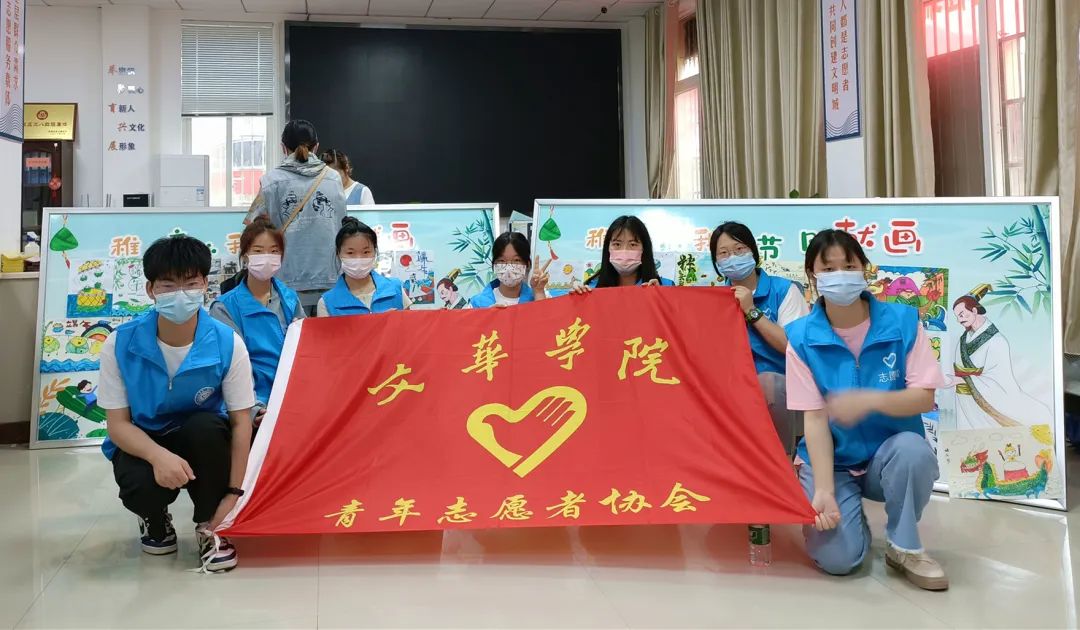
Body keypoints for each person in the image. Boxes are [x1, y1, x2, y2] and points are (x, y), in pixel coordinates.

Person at [785, 229, 946, 590]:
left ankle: (905, 545)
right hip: (833, 462)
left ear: (865, 269)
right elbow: (814, 418)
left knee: (914, 452)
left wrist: (869, 400)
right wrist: (824, 490)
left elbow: (923, 397)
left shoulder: (903, 322)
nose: (840, 275)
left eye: (849, 266)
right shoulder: (800, 337)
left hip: (888, 456)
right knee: (838, 561)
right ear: (812, 275)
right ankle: (847, 518)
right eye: (828, 269)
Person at [97, 235, 256, 572]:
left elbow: (241, 422)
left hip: (201, 439)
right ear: (150, 289)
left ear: (205, 285)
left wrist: (234, 494)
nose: (181, 294)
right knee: (139, 484)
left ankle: (211, 525)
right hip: (145, 440)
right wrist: (158, 456)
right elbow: (118, 424)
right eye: (168, 285)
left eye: (191, 283)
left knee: (208, 428)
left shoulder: (228, 343)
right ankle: (154, 518)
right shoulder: (119, 344)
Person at [710, 221, 808, 455]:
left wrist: (751, 311)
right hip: (731, 385)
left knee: (768, 383)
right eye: (723, 253)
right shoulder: (711, 298)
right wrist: (655, 295)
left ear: (753, 252)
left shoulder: (784, 290)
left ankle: (782, 462)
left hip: (780, 388)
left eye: (739, 249)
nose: (732, 257)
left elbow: (793, 346)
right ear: (716, 262)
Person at [210, 217, 304, 429]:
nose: (267, 257)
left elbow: (305, 353)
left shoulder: (290, 299)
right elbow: (230, 368)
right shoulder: (224, 308)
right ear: (245, 256)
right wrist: (253, 409)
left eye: (274, 251)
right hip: (251, 406)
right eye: (258, 251)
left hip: (295, 398)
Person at [245, 120, 346, 315]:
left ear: (283, 147)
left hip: (286, 280)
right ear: (316, 147)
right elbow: (341, 225)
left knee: (293, 332)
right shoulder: (333, 179)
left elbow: (253, 228)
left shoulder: (270, 181)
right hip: (330, 278)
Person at [948, 285, 1053, 429]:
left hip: (987, 406)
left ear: (974, 311)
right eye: (957, 317)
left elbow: (999, 380)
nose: (959, 320)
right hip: (965, 403)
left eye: (961, 314)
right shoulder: (963, 340)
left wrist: (963, 379)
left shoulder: (997, 341)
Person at [318, 217, 412, 316]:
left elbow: (410, 324)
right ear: (338, 254)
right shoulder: (326, 303)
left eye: (366, 252)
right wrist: (380, 322)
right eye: (350, 253)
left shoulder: (396, 289)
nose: (359, 258)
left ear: (375, 251)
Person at [573, 216, 674, 293]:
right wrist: (576, 299)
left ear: (644, 249)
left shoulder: (666, 286)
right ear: (608, 248)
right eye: (617, 244)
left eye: (633, 244)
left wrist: (661, 298)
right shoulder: (591, 289)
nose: (624, 251)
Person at [470, 231, 550, 307]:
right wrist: (488, 314)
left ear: (527, 264)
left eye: (516, 260)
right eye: (502, 260)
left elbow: (545, 316)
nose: (508, 267)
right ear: (494, 265)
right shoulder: (476, 304)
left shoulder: (540, 297)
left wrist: (539, 292)